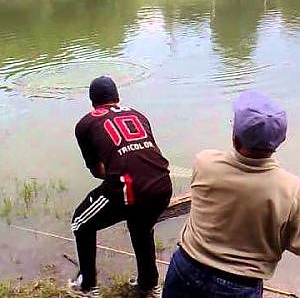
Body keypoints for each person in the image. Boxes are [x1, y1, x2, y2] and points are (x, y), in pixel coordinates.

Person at [162, 91, 300, 298]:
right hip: (238, 285)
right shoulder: (292, 190)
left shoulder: (204, 162)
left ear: (235, 139)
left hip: (186, 266)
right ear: (280, 141)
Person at [69, 76, 172, 298]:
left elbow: (98, 171)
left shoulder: (85, 124)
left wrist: (119, 175)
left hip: (128, 186)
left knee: (80, 223)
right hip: (162, 184)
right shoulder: (138, 115)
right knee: (141, 227)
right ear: (117, 97)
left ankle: (87, 286)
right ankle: (149, 284)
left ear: (92, 101)